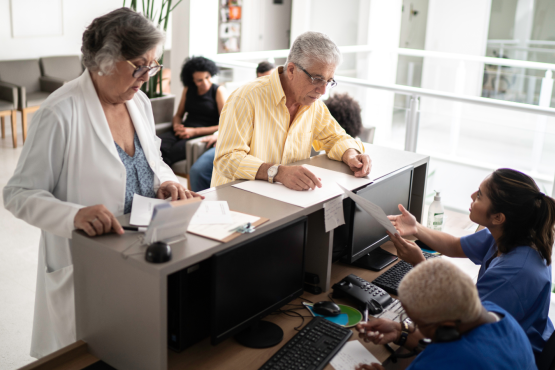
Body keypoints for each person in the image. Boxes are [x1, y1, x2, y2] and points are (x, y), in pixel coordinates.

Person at [3, 8, 201, 358]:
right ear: (103, 61)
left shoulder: (138, 102)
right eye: (138, 65)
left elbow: (154, 160)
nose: (146, 77)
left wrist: (166, 181)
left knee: (142, 348)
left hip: (144, 253)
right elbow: (18, 194)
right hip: (91, 265)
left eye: (152, 66)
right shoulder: (59, 112)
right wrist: (74, 216)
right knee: (95, 355)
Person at [386, 168, 554, 358]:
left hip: (508, 354)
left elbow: (459, 322)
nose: (472, 195)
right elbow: (455, 246)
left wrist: (420, 264)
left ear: (498, 217)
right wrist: (415, 228)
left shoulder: (514, 274)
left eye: (480, 195)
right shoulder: (509, 233)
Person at [211, 31, 371, 190]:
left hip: (286, 202)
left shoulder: (313, 105)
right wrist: (277, 172)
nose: (323, 91)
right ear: (292, 70)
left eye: (329, 81)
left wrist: (351, 154)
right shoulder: (245, 99)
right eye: (317, 79)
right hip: (236, 203)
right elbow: (226, 159)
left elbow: (336, 138)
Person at [355, 258, 537, 370]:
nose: (413, 326)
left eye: (418, 324)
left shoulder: (438, 363)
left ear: (447, 326)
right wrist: (399, 331)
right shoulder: (498, 315)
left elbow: (450, 356)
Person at [189, 60, 276, 191]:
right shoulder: (248, 96)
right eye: (261, 79)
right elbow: (231, 121)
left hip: (258, 150)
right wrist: (219, 135)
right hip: (233, 145)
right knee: (198, 171)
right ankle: (205, 207)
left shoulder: (283, 102)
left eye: (270, 78)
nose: (265, 83)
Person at [158, 56, 226, 166]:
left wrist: (194, 131)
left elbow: (225, 124)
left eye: (207, 77)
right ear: (192, 80)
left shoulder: (218, 91)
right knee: (155, 145)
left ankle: (162, 181)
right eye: (199, 80)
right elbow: (178, 115)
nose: (205, 83)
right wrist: (177, 126)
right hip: (184, 130)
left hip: (202, 133)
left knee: (170, 153)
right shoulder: (188, 89)